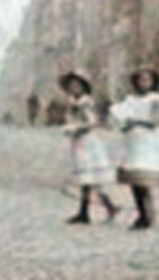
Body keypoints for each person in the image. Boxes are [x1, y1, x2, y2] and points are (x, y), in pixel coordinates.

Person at [111, 68, 159, 230]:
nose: (144, 83)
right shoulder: (130, 99)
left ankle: (147, 213)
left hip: (149, 141)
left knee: (145, 178)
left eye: (148, 80)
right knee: (135, 179)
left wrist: (135, 121)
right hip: (133, 141)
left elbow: (155, 122)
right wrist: (123, 123)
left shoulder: (157, 99)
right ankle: (142, 212)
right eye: (141, 80)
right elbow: (122, 118)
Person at [58, 73, 118, 225]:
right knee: (88, 180)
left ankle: (87, 212)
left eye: (77, 86)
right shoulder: (74, 102)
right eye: (71, 87)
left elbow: (93, 121)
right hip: (79, 142)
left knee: (90, 178)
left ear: (83, 87)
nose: (74, 89)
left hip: (89, 142)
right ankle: (101, 208)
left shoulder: (85, 102)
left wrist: (77, 129)